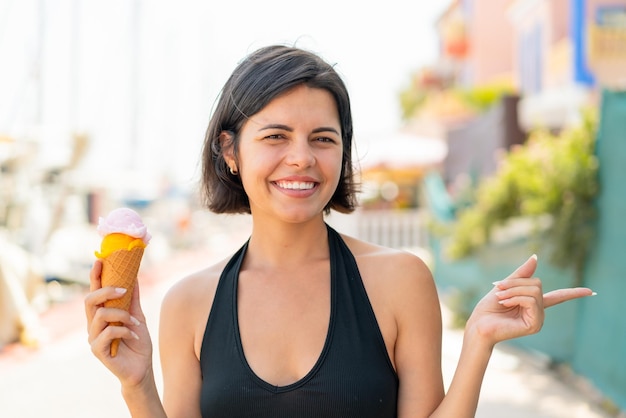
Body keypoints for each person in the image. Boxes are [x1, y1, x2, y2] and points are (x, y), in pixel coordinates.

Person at [84, 44, 595, 418]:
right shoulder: (188, 304)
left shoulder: (399, 280)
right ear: (230, 151)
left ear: (342, 152)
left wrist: (479, 343)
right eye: (275, 136)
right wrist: (137, 386)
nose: (302, 157)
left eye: (323, 138)